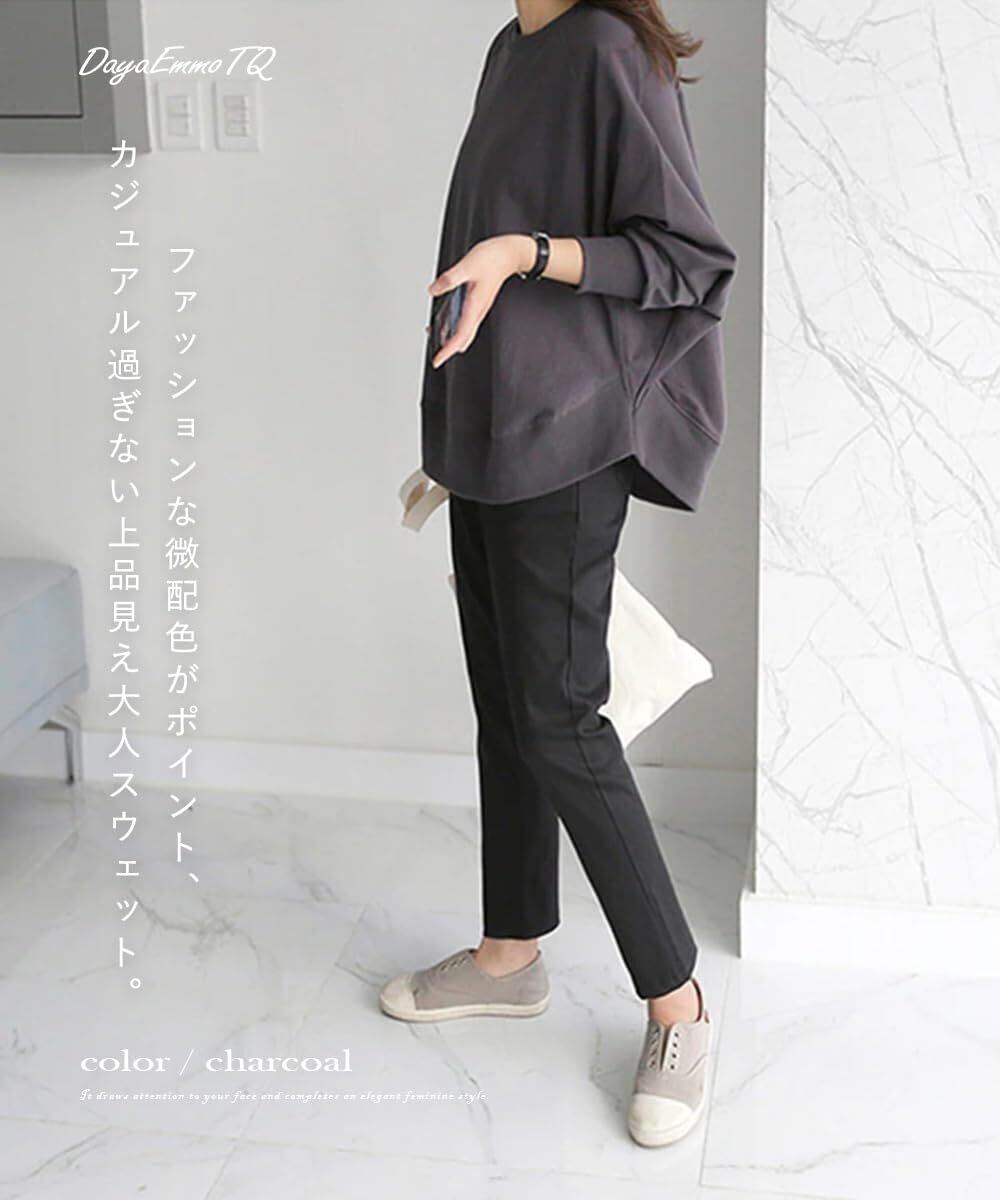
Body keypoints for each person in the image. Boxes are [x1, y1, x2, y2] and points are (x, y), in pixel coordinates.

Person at [380, 0, 737, 1149]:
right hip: (492, 426)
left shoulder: (604, 49)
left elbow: (686, 256)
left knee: (558, 715)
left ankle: (678, 1005)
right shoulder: (514, 47)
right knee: (505, 700)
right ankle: (509, 952)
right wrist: (452, 437)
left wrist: (526, 252)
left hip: (569, 432)